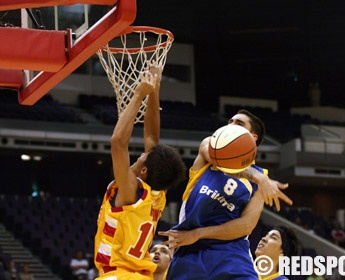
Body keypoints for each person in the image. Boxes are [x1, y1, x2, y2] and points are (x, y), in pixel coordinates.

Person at [160, 110, 293, 279]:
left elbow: (246, 226)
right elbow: (224, 159)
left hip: (230, 255)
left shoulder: (260, 180)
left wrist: (199, 233)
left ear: (252, 138)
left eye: (239, 123)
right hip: (188, 252)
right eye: (230, 121)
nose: (231, 124)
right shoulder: (209, 149)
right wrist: (258, 177)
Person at [93, 65, 187, 279]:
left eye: (139, 159)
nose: (138, 158)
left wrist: (138, 95)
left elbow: (118, 143)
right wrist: (154, 90)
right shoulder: (157, 194)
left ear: (143, 170)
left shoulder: (130, 189)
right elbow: (152, 138)